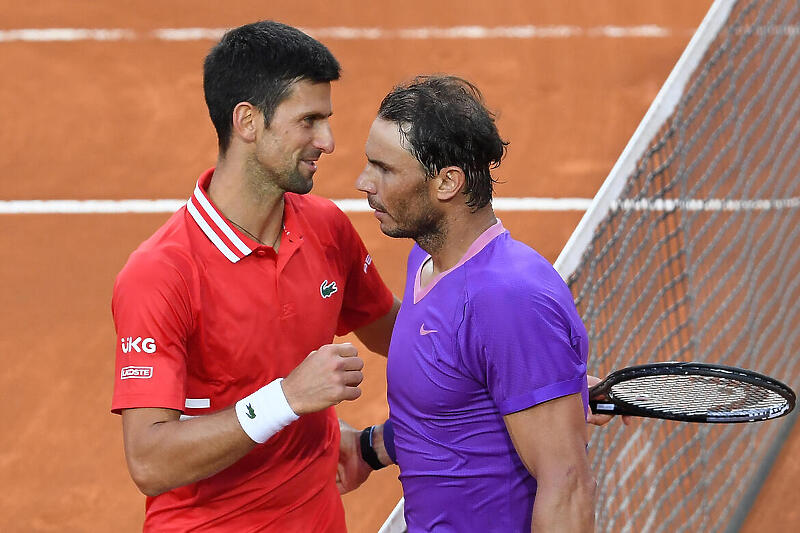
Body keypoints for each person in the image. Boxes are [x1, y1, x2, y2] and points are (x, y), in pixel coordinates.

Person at [110, 21, 400, 532]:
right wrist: (285, 399)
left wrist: (536, 378)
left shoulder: (326, 228)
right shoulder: (162, 274)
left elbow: (402, 336)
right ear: (247, 121)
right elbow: (150, 461)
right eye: (308, 120)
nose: (328, 141)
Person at [342, 75, 598, 532]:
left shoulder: (507, 300)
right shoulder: (427, 259)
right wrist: (370, 449)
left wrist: (542, 379)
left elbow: (567, 483)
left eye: (385, 169)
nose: (364, 182)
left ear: (447, 183)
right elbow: (453, 410)